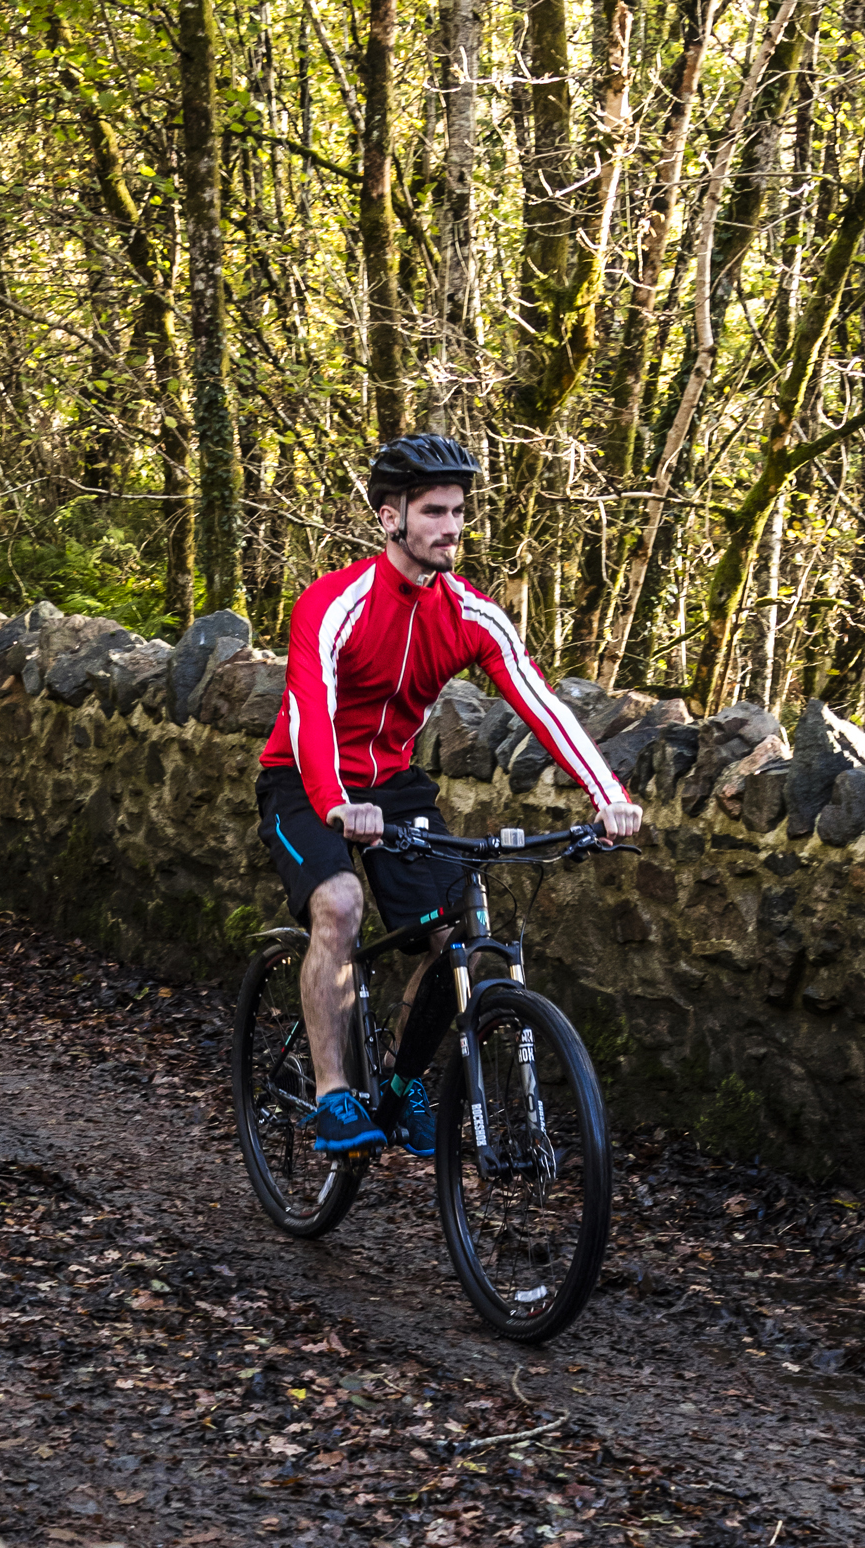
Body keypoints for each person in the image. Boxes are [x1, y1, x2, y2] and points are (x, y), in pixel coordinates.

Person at [257, 430, 642, 1154]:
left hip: (394, 785)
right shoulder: (333, 603)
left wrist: (606, 794)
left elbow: (542, 704)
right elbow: (309, 711)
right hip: (304, 780)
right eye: (433, 511)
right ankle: (332, 1093)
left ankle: (402, 1085)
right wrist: (337, 803)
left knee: (450, 935)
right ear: (388, 517)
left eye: (458, 511)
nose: (451, 527)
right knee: (338, 905)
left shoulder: (470, 613)